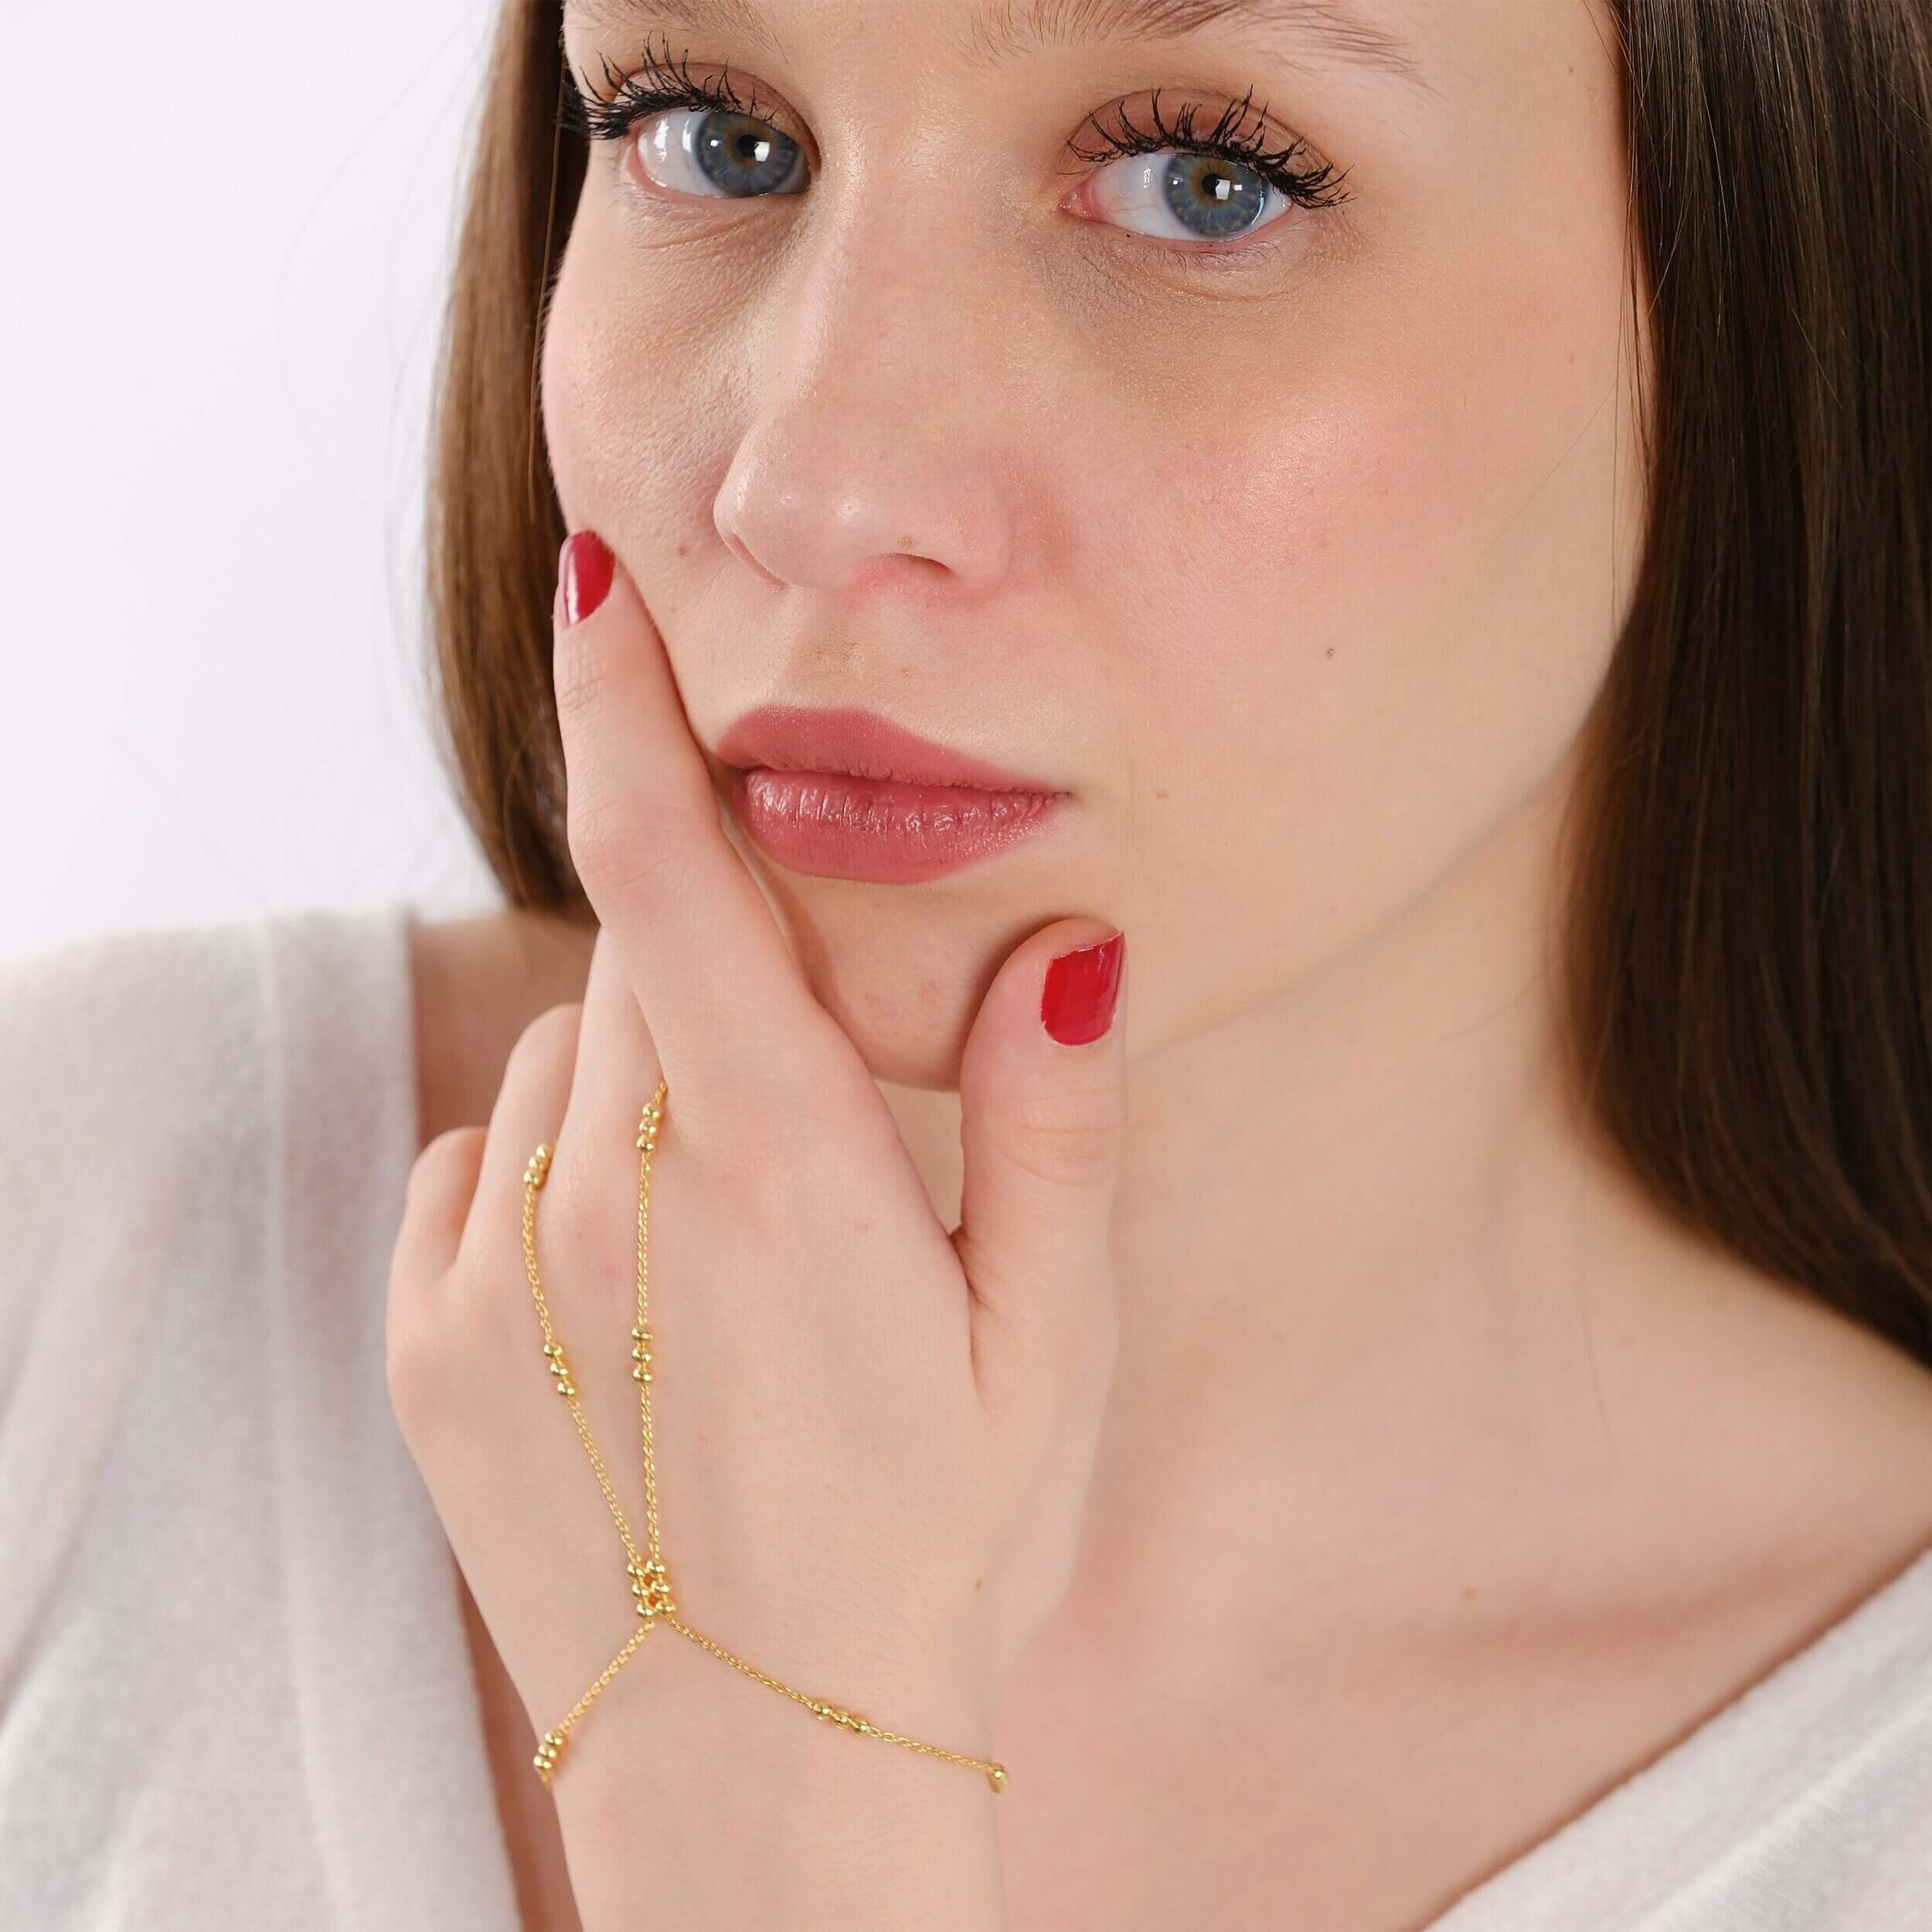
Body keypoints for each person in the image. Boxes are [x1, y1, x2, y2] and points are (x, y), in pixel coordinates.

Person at [4, 0, 1930, 1927]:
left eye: (1206, 179)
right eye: (712, 135)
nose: (813, 488)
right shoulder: (74, 1238)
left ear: (1766, 282)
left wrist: (779, 1814)